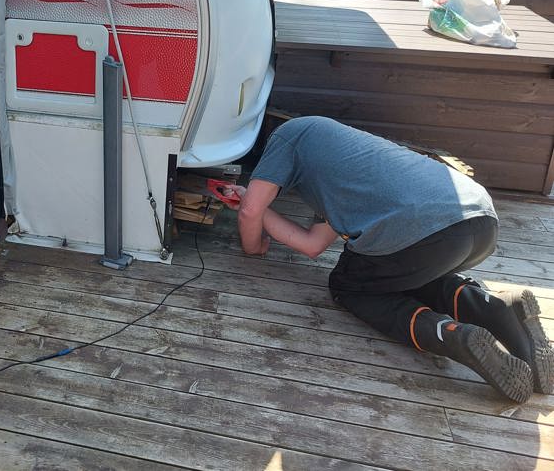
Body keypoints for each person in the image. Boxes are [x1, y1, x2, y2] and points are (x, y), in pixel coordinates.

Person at [234, 115, 552, 403]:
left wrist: (253, 246)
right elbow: (313, 244)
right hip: (479, 220)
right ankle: (499, 308)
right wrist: (248, 202)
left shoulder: (287, 135)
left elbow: (251, 211)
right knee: (404, 271)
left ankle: (448, 334)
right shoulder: (339, 159)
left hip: (423, 228)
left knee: (349, 285)